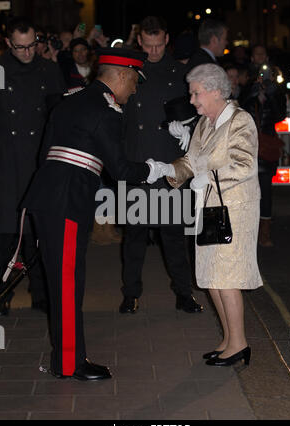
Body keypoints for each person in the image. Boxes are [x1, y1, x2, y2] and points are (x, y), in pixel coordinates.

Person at [22, 47, 167, 381]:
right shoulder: (107, 110)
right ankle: (70, 363)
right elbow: (118, 169)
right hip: (69, 201)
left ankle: (66, 358)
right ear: (121, 75)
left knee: (60, 282)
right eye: (134, 82)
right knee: (69, 283)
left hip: (47, 197)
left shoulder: (69, 100)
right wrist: (153, 169)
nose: (134, 90)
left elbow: (46, 153)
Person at [160, 63, 263, 366]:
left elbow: (246, 165)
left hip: (234, 209)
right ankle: (229, 339)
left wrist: (212, 177)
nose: (191, 100)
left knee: (227, 277)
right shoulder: (206, 122)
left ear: (216, 91)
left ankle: (240, 343)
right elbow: (192, 160)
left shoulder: (240, 121)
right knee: (212, 277)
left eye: (196, 93)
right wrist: (170, 170)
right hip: (208, 208)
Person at [120, 16, 202, 315]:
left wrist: (188, 129)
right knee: (134, 238)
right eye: (148, 45)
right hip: (138, 164)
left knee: (174, 236)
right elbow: (119, 119)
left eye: (158, 45)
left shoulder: (181, 73)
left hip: (170, 166)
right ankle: (130, 294)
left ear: (166, 39)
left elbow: (198, 114)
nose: (153, 52)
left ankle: (183, 293)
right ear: (139, 41)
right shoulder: (129, 71)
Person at [0, 16, 66, 315]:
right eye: (20, 47)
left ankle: (41, 294)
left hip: (39, 161)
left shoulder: (48, 70)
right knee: (5, 234)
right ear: (7, 43)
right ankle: (2, 294)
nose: (27, 53)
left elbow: (60, 117)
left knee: (38, 235)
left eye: (31, 46)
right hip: (6, 162)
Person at [238, 45, 286, 246]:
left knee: (265, 189)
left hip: (265, 146)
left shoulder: (275, 86)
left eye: (262, 54)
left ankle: (264, 233)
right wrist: (251, 94)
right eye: (255, 53)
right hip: (247, 145)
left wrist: (272, 95)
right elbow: (239, 110)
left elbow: (280, 115)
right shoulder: (246, 82)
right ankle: (248, 232)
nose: (259, 58)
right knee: (247, 190)